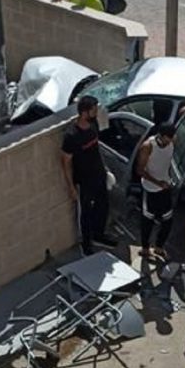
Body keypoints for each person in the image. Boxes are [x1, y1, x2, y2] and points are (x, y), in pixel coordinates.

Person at [61, 95, 118, 255]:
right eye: (93, 109)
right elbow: (65, 163)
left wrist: (105, 169)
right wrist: (71, 187)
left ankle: (99, 235)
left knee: (103, 206)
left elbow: (96, 149)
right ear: (85, 113)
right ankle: (86, 245)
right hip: (84, 181)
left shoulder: (93, 125)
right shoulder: (71, 136)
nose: (96, 111)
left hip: (99, 174)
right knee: (85, 213)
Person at [137, 123, 176, 260]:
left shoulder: (172, 141)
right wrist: (157, 182)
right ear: (160, 135)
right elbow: (140, 170)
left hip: (165, 188)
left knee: (168, 220)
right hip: (151, 189)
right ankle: (145, 248)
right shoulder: (148, 147)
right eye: (167, 138)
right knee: (147, 221)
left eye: (171, 138)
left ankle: (159, 247)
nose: (169, 141)